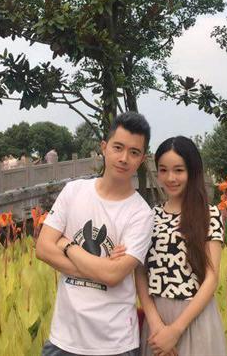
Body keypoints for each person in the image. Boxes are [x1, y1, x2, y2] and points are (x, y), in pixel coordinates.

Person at [36, 112, 155, 356]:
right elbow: (43, 248)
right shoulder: (74, 191)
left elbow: (112, 275)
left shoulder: (141, 214)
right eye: (117, 147)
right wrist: (101, 268)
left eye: (134, 152)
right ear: (104, 147)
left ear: (142, 159)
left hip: (115, 344)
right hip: (63, 340)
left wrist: (67, 246)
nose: (124, 158)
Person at [136, 136, 227, 356]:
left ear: (192, 171)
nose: (170, 178)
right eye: (163, 170)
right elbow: (140, 273)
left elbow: (211, 278)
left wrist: (176, 330)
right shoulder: (150, 216)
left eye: (179, 170)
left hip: (194, 320)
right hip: (156, 322)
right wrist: (156, 325)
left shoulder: (209, 214)